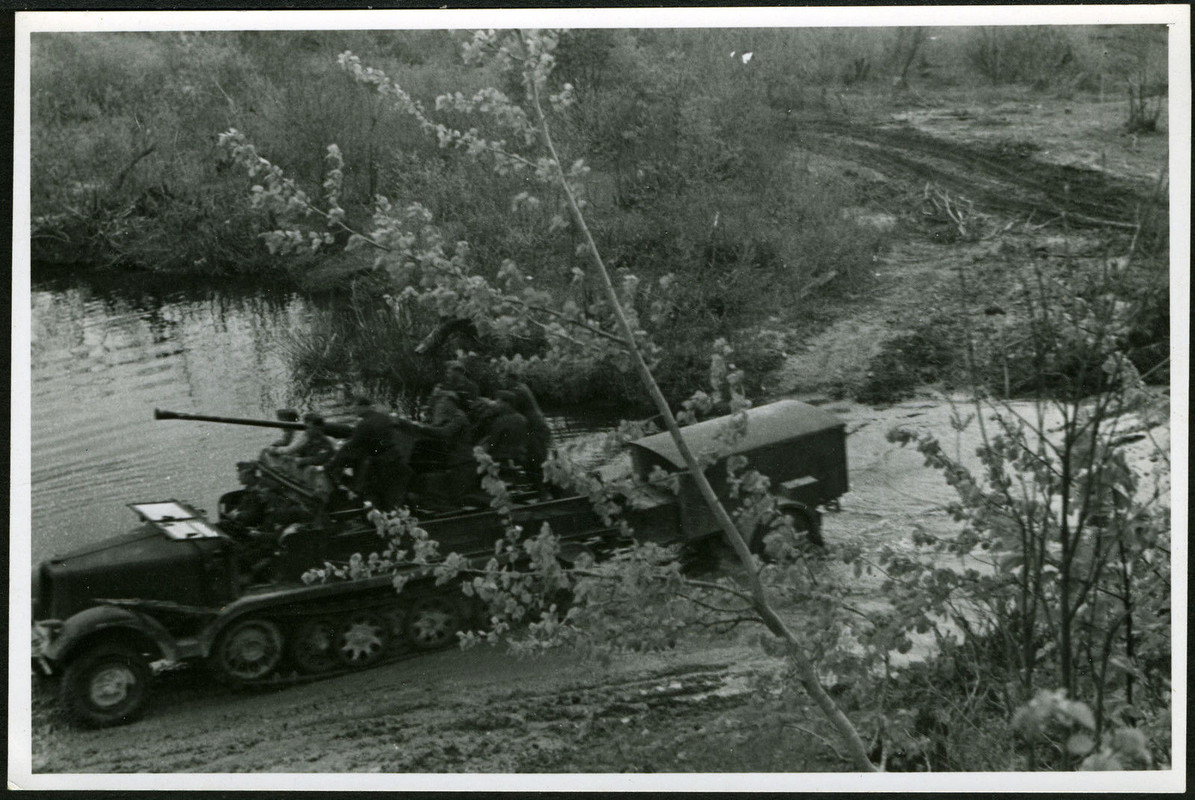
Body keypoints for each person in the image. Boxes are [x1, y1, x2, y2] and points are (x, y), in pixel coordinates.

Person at [326, 396, 414, 512]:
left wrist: (331, 464)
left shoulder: (364, 424)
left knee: (371, 491)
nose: (354, 410)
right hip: (394, 457)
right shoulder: (384, 417)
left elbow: (351, 446)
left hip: (379, 463)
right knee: (391, 494)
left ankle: (377, 516)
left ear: (364, 407)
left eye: (356, 407)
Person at [396, 385, 475, 505]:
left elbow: (444, 432)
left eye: (443, 403)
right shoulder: (451, 417)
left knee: (452, 498)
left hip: (462, 461)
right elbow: (435, 429)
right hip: (455, 460)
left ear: (452, 403)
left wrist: (418, 427)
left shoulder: (459, 416)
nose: (440, 406)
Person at [501, 373, 552, 492]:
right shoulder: (522, 387)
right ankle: (541, 487)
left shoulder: (519, 390)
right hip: (535, 427)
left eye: (505, 380)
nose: (504, 383)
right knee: (534, 458)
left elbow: (511, 403)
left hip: (536, 428)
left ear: (511, 379)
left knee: (536, 459)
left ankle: (544, 490)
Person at [476, 390, 530, 481]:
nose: (497, 405)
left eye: (499, 402)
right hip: (521, 456)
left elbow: (493, 443)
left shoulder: (501, 421)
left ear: (507, 404)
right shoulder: (523, 418)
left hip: (503, 457)